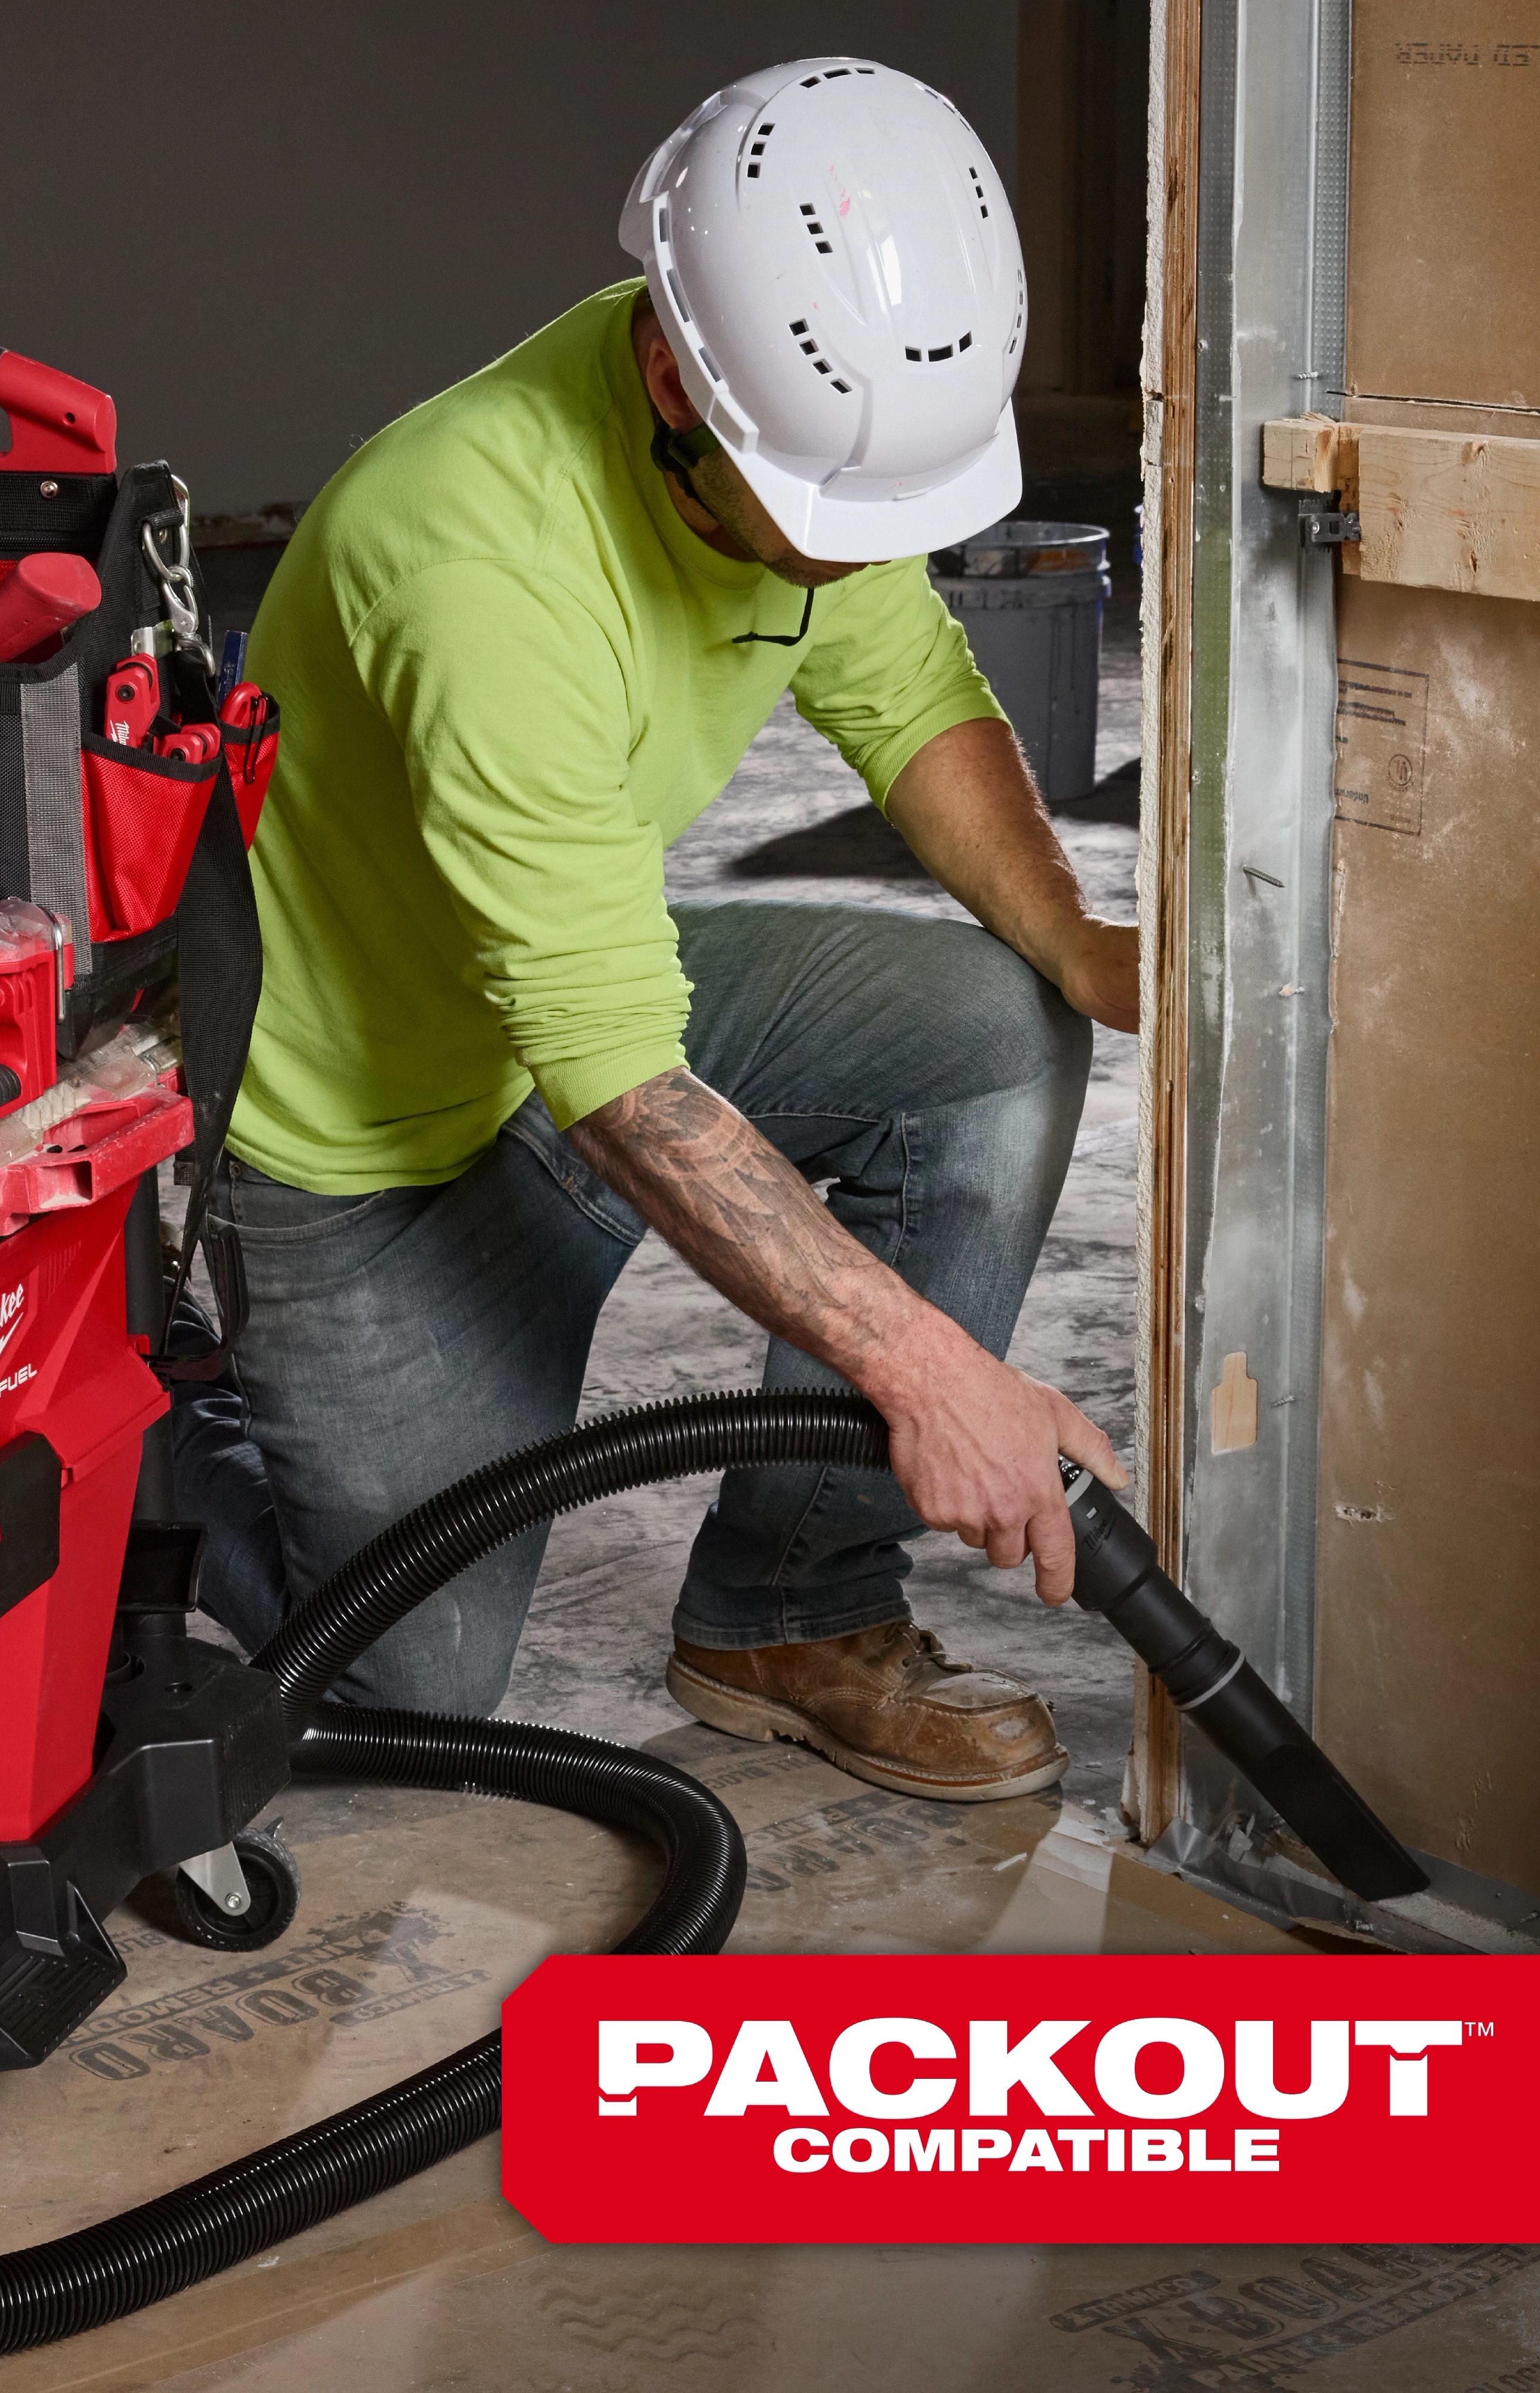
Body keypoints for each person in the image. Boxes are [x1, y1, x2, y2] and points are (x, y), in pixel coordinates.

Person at [173, 58, 1136, 1803]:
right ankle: (168, 1456)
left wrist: (1077, 944)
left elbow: (908, 693)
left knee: (995, 1037)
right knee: (414, 1709)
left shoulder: (788, 413)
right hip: (363, 1159)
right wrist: (932, 1375)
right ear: (675, 381)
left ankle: (792, 1610)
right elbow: (619, 1079)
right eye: (827, 521)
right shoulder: (474, 565)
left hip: (571, 1029)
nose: (846, 559)